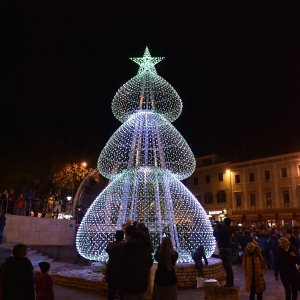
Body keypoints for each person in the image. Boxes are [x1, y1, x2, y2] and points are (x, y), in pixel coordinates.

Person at [118, 225, 153, 300]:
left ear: (128, 235)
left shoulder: (126, 247)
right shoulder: (145, 246)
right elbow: (150, 262)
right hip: (142, 282)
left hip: (129, 283)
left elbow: (120, 264)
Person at [213, 217, 234, 287]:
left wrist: (216, 228)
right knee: (229, 266)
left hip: (223, 249)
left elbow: (215, 234)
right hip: (229, 249)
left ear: (224, 222)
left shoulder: (223, 229)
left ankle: (229, 283)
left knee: (227, 267)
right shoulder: (230, 229)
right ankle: (231, 282)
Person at [106, 230, 125, 300]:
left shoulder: (111, 245)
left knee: (111, 291)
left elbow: (108, 250)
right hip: (121, 271)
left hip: (112, 270)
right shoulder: (124, 246)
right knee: (122, 291)